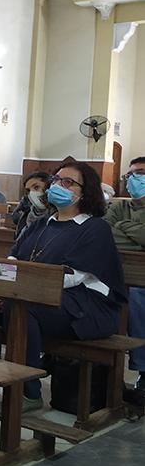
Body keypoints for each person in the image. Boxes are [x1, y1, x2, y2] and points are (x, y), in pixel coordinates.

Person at [0, 161, 125, 412]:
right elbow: (13, 259)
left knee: (23, 310)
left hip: (87, 307)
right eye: (56, 180)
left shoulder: (94, 228)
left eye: (68, 182)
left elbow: (71, 277)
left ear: (86, 192)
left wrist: (16, 293)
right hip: (35, 297)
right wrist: (2, 290)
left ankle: (27, 393)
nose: (58, 185)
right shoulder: (42, 224)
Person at [105, 157, 145, 398]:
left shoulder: (120, 214)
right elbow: (105, 233)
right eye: (130, 174)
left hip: (139, 282)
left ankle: (142, 370)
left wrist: (122, 227)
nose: (133, 179)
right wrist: (136, 234)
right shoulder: (119, 207)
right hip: (118, 274)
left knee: (136, 297)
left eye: (140, 173)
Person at [11, 171, 50, 240]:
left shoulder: (58, 216)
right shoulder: (29, 215)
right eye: (28, 190)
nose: (32, 193)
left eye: (36, 187)